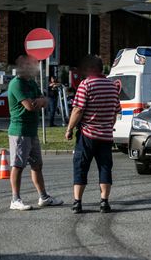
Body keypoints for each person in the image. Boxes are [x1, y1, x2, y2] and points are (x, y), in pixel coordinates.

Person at [65, 55, 121, 214]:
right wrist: (108, 126)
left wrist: (69, 129)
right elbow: (116, 111)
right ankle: (104, 202)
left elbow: (78, 109)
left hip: (87, 135)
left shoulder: (86, 85)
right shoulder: (112, 86)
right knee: (105, 168)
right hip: (105, 136)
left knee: (81, 167)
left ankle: (78, 202)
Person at [7, 55, 64, 211]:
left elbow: (44, 101)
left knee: (37, 165)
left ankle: (44, 197)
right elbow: (29, 106)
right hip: (19, 131)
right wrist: (39, 102)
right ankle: (15, 199)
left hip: (32, 131)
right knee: (18, 165)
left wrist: (40, 101)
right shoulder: (16, 84)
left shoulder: (31, 82)